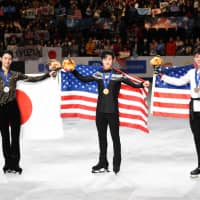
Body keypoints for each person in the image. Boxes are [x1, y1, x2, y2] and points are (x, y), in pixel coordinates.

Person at [66, 50, 150, 174]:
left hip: (113, 112)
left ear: (113, 60)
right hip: (100, 112)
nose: (107, 61)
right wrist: (72, 70)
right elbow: (83, 79)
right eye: (105, 59)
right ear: (102, 60)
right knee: (102, 138)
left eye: (110, 59)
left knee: (115, 138)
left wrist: (143, 84)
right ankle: (103, 163)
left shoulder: (118, 75)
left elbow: (133, 84)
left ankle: (116, 164)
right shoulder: (98, 74)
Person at [0, 50, 55, 174]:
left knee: (15, 137)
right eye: (5, 58)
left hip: (13, 108)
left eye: (9, 58)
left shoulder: (15, 74)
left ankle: (15, 165)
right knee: (4, 137)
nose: (7, 61)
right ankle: (7, 164)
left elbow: (32, 79)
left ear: (12, 60)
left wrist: (47, 75)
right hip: (1, 109)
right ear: (1, 59)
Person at [157, 48, 200, 177]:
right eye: (197, 56)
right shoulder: (192, 73)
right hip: (194, 106)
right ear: (194, 59)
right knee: (197, 137)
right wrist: (163, 77)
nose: (199, 59)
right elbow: (179, 82)